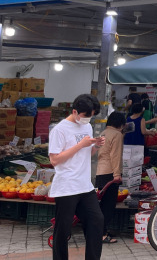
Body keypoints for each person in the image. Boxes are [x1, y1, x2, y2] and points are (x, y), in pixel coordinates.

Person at [49, 94, 104, 260]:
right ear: (74, 111)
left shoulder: (87, 127)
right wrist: (81, 145)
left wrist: (95, 145)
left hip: (85, 185)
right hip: (66, 186)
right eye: (87, 115)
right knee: (63, 230)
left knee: (97, 221)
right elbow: (54, 160)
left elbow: (85, 153)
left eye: (92, 115)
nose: (89, 119)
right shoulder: (59, 130)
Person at [96, 111, 126, 245]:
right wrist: (117, 174)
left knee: (101, 205)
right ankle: (102, 234)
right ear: (121, 124)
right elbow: (115, 156)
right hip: (110, 173)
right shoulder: (117, 135)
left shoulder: (103, 133)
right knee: (108, 206)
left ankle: (101, 231)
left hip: (100, 172)